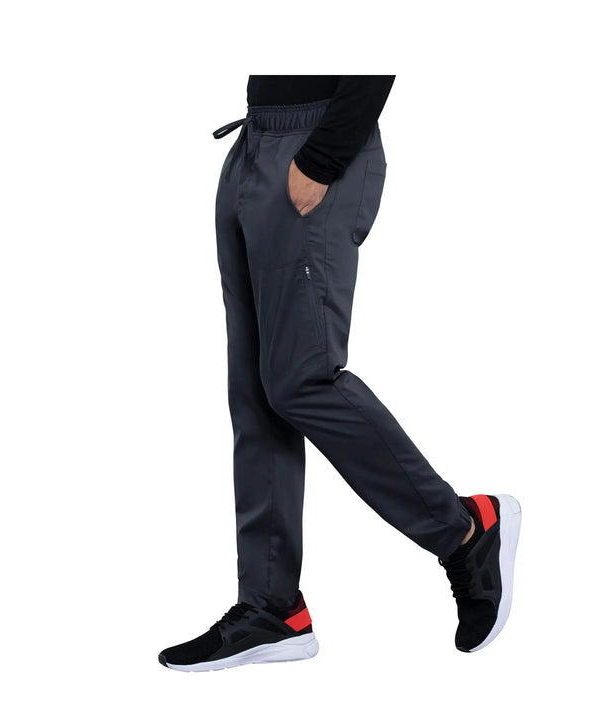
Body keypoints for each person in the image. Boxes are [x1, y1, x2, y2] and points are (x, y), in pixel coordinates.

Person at [158, 76, 522, 672]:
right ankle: (271, 607)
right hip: (255, 142)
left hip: (315, 144)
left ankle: (464, 530)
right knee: (256, 393)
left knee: (302, 380)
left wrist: (322, 157)